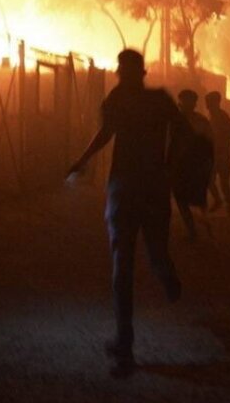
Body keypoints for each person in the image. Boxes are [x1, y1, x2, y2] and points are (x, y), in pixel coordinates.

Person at [68, 49, 187, 377]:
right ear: (143, 71)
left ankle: (125, 342)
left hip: (125, 188)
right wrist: (169, 165)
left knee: (123, 265)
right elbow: (182, 131)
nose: (120, 74)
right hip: (151, 188)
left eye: (122, 69)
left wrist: (82, 160)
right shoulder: (159, 100)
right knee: (153, 252)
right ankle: (164, 279)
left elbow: (105, 134)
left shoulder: (119, 99)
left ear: (125, 71)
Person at [172, 89, 214, 241]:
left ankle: (199, 227)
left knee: (190, 198)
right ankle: (195, 228)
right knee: (183, 198)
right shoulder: (177, 121)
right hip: (183, 166)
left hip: (193, 165)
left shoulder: (199, 121)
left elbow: (209, 144)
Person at [204, 91, 230, 216]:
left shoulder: (222, 117)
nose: (207, 105)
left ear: (216, 103)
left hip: (224, 155)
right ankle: (220, 201)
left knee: (223, 182)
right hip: (214, 155)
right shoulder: (211, 117)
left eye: (209, 103)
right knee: (209, 180)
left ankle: (228, 205)